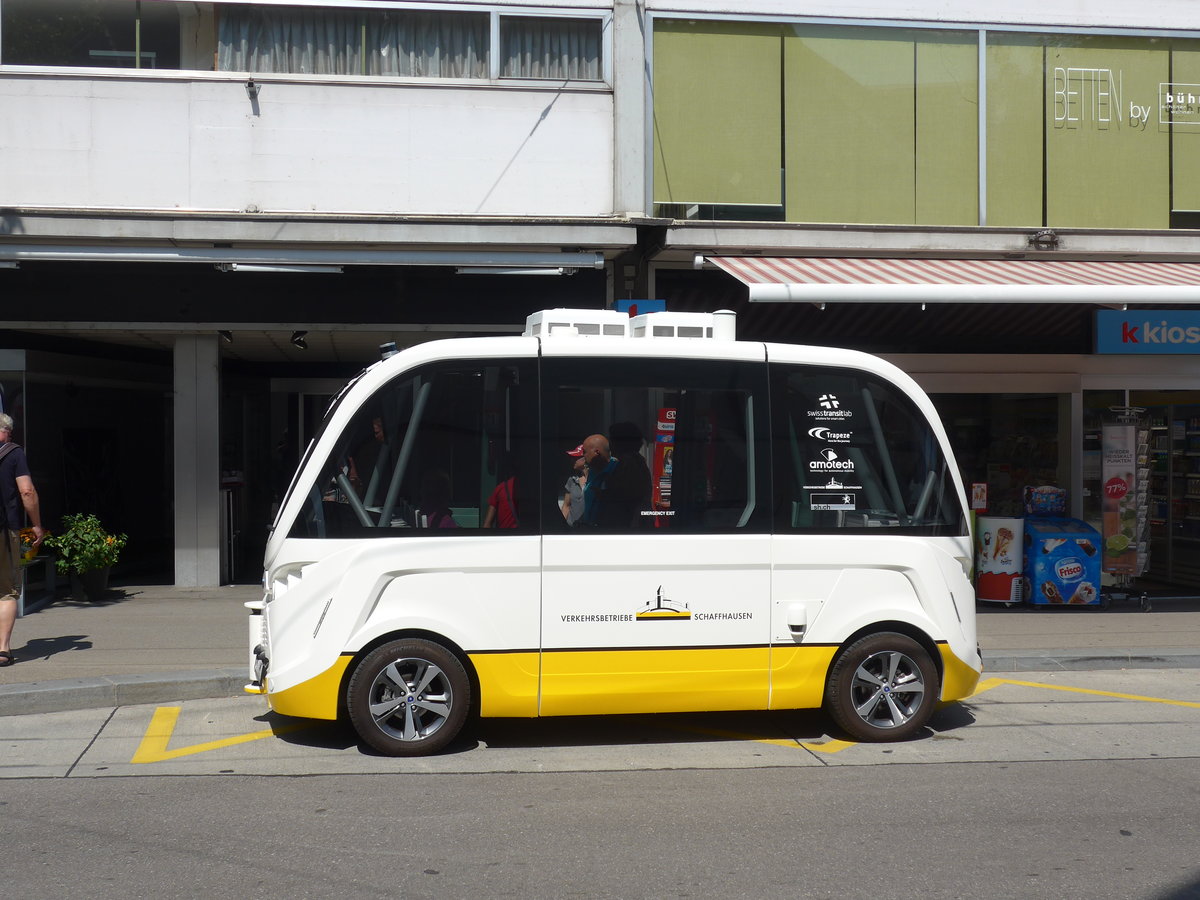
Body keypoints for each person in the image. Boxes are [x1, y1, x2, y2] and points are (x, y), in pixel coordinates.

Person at [0, 413, 45, 667]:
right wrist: (36, 524)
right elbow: (27, 491)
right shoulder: (13, 454)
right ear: (6, 431)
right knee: (6, 591)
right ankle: (3, 650)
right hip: (4, 531)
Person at [483, 452, 519, 529]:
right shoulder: (531, 489)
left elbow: (486, 524)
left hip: (504, 537)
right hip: (525, 537)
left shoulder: (500, 488)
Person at [560, 444, 587, 525]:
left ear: (586, 458)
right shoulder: (572, 480)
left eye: (576, 458)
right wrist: (563, 526)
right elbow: (566, 505)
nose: (572, 460)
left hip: (590, 530)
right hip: (572, 529)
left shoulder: (594, 481)